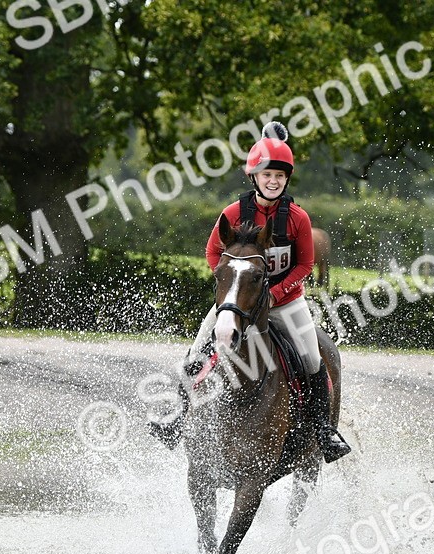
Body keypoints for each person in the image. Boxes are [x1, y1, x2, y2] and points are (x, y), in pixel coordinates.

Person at [149, 121, 352, 463]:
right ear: (254, 177)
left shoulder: (298, 218)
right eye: (267, 174)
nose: (273, 181)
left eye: (279, 176)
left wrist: (275, 292)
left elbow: (305, 264)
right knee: (197, 351)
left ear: (287, 179)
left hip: (284, 302)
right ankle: (176, 419)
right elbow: (213, 253)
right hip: (239, 301)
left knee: (312, 359)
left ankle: (323, 430)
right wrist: (230, 284)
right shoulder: (233, 213)